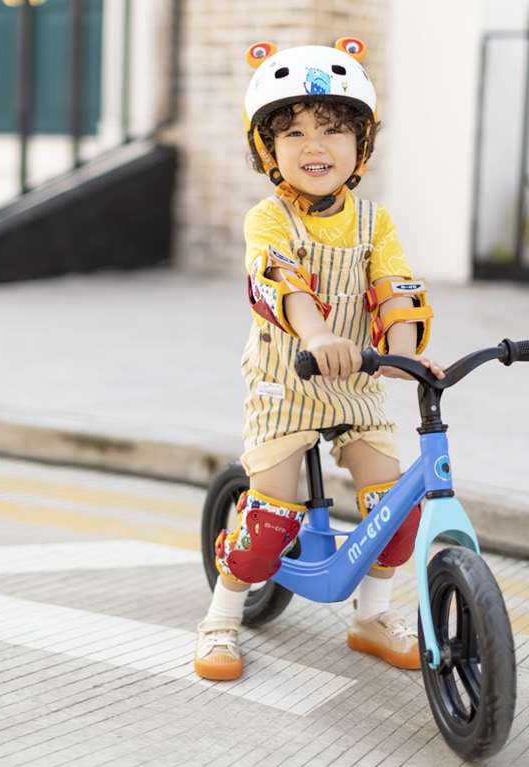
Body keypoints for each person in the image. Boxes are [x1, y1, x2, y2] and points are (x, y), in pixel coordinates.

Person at [194, 38, 444, 681]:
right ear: (267, 150)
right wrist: (315, 334)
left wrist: (403, 355)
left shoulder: (374, 222)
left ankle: (371, 616)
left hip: (355, 383)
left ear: (362, 145)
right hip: (285, 383)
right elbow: (281, 281)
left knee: (397, 508)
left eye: (334, 129)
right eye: (294, 132)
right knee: (270, 519)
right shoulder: (268, 218)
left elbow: (395, 289)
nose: (315, 145)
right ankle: (221, 618)